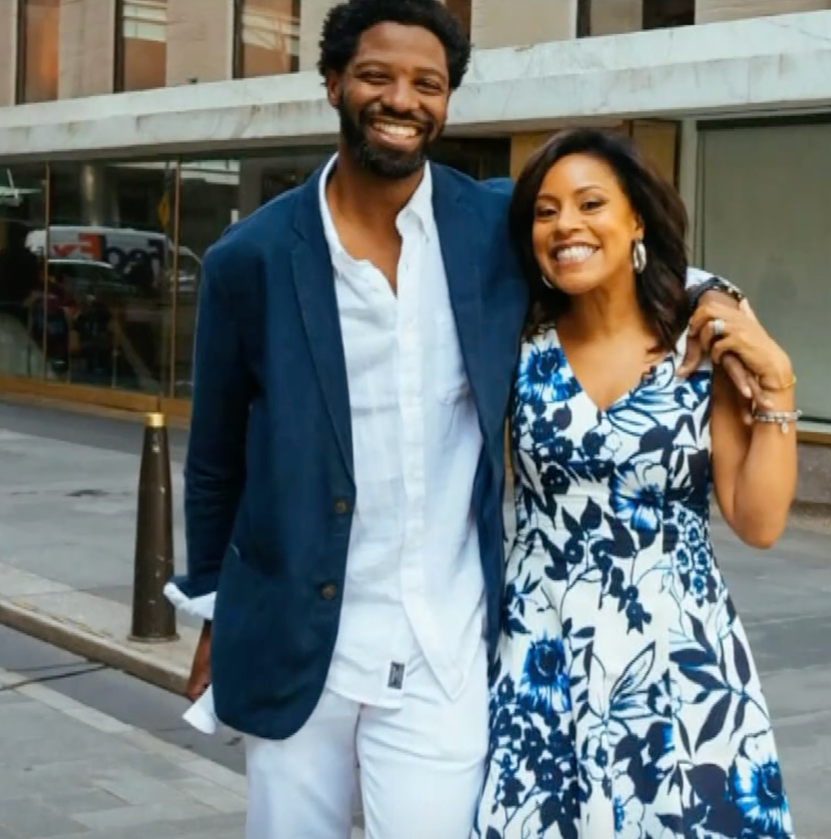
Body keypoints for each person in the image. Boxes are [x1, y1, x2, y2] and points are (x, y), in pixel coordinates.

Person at [164, 2, 761, 837]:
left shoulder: (487, 228)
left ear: (447, 102)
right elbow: (216, 458)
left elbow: (605, 249)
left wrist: (720, 299)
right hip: (303, 643)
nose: (402, 99)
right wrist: (214, 610)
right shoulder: (251, 261)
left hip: (443, 648)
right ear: (334, 83)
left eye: (427, 84)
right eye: (377, 76)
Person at [473, 128, 799, 839]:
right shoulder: (517, 341)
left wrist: (776, 383)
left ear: (636, 220)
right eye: (546, 211)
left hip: (677, 650)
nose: (567, 226)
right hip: (544, 649)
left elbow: (758, 518)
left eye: (591, 203)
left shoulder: (701, 343)